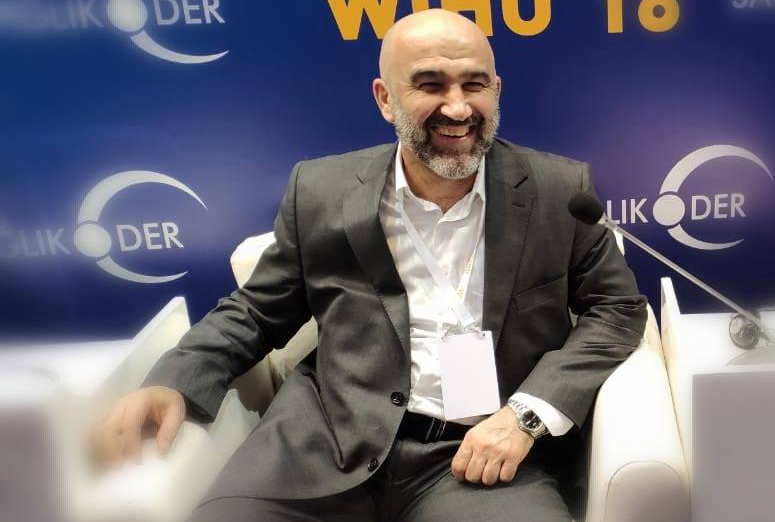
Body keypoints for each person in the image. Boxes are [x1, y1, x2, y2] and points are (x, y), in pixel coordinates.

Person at [92, 9, 647, 522]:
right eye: (430, 85)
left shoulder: (558, 190)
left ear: (496, 90)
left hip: (481, 456)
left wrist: (526, 416)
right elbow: (257, 311)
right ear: (386, 98)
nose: (458, 107)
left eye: (474, 84)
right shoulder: (320, 190)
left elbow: (617, 310)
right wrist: (176, 379)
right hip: (323, 442)